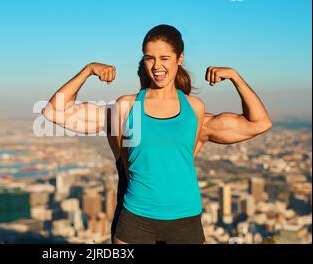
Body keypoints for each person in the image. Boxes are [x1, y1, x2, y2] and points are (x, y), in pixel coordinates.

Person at [42, 24, 272, 244]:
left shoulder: (195, 109)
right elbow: (54, 112)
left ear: (179, 58)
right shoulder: (126, 107)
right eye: (149, 58)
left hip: (186, 221)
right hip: (135, 219)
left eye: (164, 58)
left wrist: (235, 76)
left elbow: (259, 123)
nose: (156, 66)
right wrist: (88, 70)